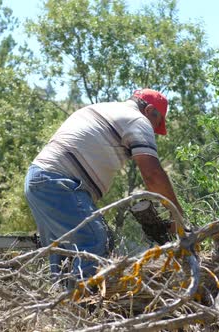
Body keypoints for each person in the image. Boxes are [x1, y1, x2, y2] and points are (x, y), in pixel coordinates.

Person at [24, 88, 184, 278]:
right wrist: (177, 215)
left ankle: (62, 303)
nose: (153, 132)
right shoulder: (137, 119)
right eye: (155, 125)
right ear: (149, 111)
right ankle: (83, 305)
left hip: (39, 180)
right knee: (95, 241)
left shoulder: (102, 109)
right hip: (58, 183)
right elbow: (153, 174)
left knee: (64, 255)